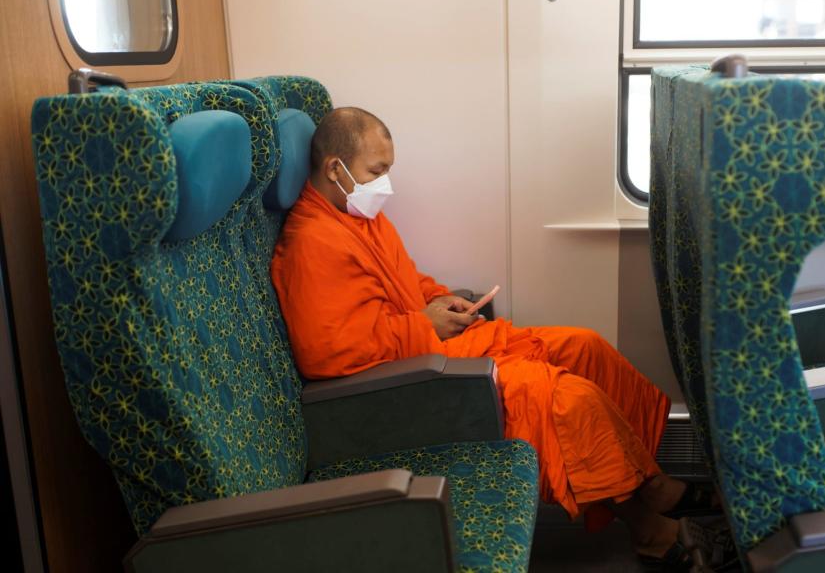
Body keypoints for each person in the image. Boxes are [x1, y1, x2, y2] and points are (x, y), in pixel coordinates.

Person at [271, 107, 729, 567]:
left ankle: (648, 483)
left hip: (426, 350)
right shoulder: (312, 243)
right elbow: (326, 354)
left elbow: (408, 281)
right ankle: (650, 526)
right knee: (565, 399)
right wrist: (423, 326)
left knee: (582, 346)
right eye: (377, 171)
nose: (384, 184)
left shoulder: (358, 219)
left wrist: (441, 299)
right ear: (336, 168)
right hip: (398, 389)